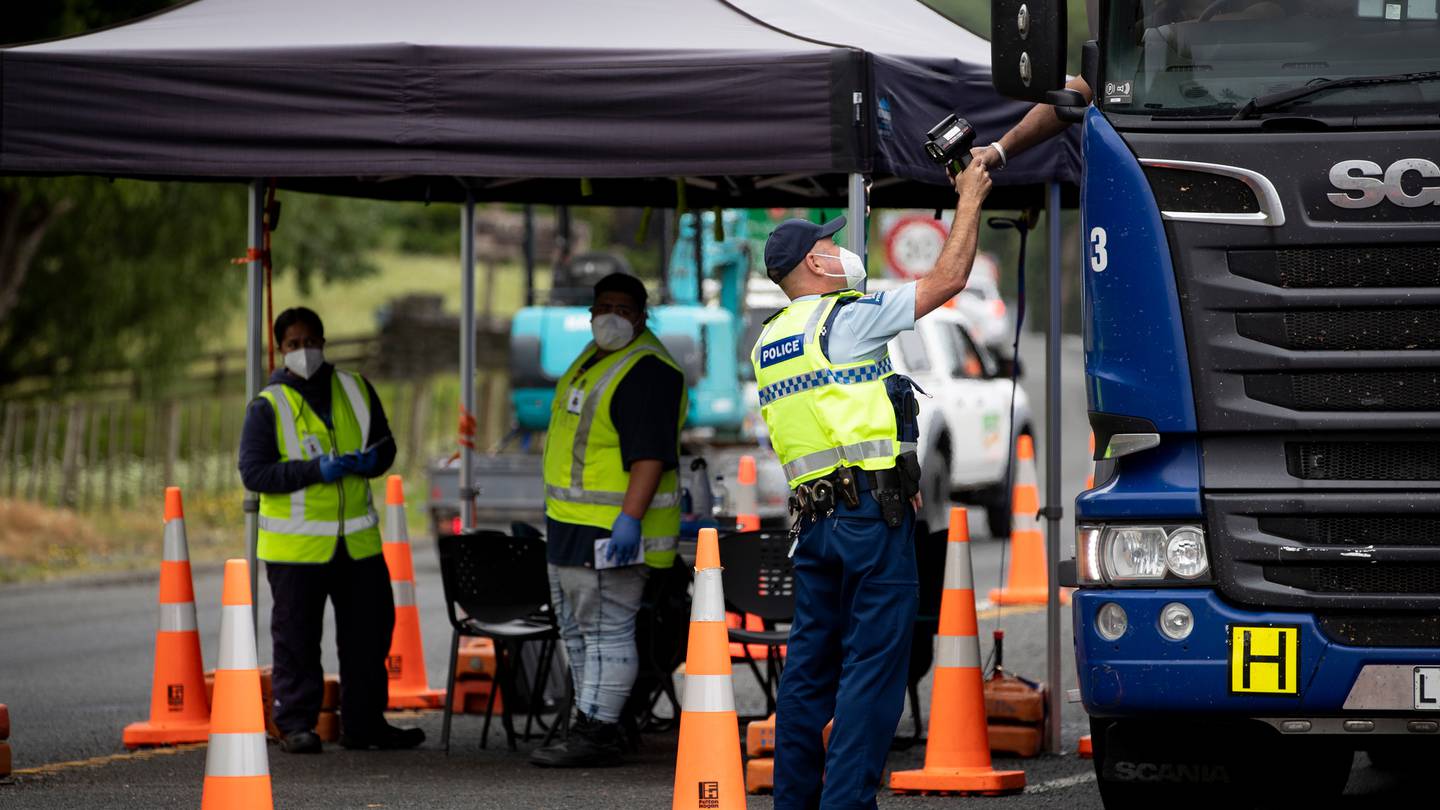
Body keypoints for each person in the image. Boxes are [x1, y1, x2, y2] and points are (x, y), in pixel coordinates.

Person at [754, 159, 992, 810]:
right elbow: (949, 279)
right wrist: (969, 198)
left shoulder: (771, 339)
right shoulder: (844, 318)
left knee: (807, 672)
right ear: (815, 266)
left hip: (814, 525)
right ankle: (846, 804)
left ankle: (795, 802)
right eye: (828, 244)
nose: (840, 249)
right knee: (872, 671)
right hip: (869, 519)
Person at [237, 307, 423, 754]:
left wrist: (371, 462)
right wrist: (315, 470)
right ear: (280, 351)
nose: (305, 351)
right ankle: (297, 725)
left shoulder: (355, 389)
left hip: (357, 543)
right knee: (297, 640)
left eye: (311, 341)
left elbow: (386, 446)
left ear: (324, 341)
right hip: (297, 547)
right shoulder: (269, 405)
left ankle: (364, 725)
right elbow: (255, 474)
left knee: (369, 636)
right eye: (294, 344)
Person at [530, 273, 687, 768]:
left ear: (642, 315)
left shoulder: (646, 371)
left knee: (605, 633)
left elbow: (649, 457)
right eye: (604, 307)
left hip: (612, 529)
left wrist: (629, 519)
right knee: (579, 632)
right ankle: (595, 719)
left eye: (623, 308)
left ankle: (597, 731)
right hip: (571, 524)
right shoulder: (594, 359)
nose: (611, 317)